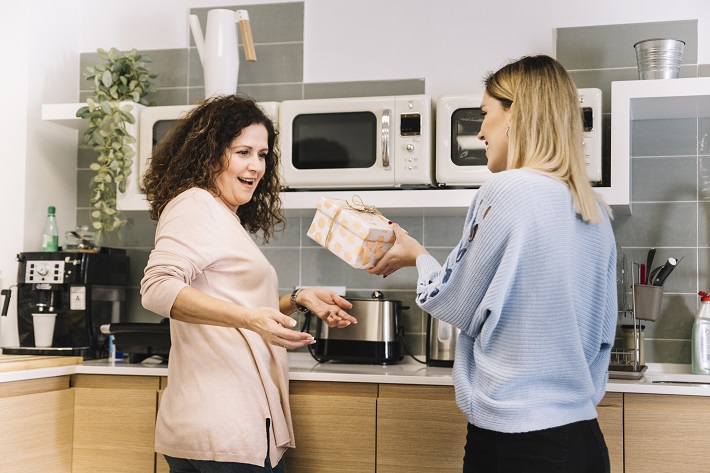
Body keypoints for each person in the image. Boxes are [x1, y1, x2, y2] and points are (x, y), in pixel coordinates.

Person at [368, 55, 617, 473]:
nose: (480, 131)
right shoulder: (595, 209)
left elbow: (452, 302)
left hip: (520, 443)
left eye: (485, 114)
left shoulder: (505, 190)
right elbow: (603, 337)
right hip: (582, 438)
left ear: (515, 113)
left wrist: (416, 254)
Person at [140, 94, 356, 473]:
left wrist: (297, 298)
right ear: (208, 154)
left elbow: (235, 299)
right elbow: (157, 288)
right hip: (225, 428)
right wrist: (250, 319)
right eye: (243, 152)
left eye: (263, 154)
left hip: (220, 427)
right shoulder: (195, 204)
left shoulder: (221, 215)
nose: (255, 166)